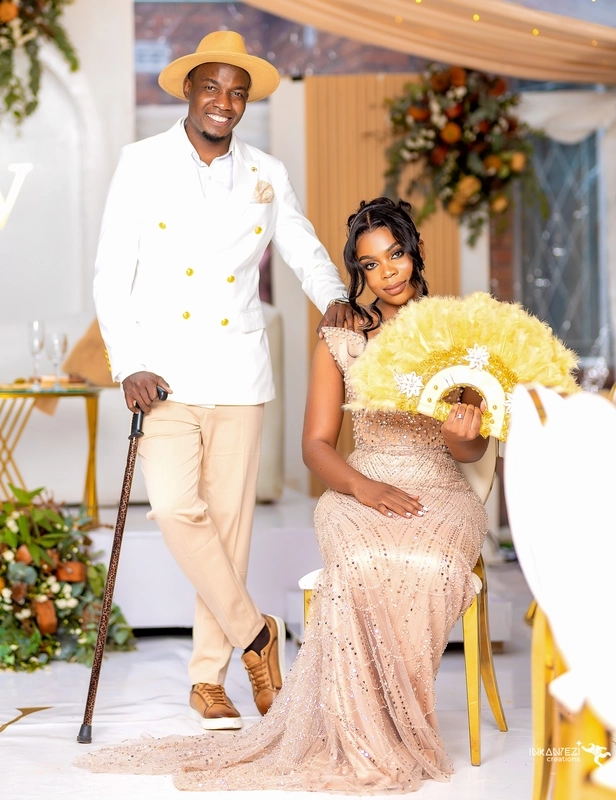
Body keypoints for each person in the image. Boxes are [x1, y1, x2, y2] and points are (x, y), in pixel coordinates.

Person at [80, 197, 490, 793]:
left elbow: (472, 451)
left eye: (396, 254)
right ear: (358, 272)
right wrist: (365, 487)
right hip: (359, 484)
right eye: (371, 264)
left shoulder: (464, 332)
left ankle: (400, 721)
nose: (388, 272)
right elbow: (316, 446)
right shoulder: (344, 337)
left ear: (416, 250)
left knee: (431, 564)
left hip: (439, 488)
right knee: (361, 562)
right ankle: (356, 727)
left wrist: (462, 435)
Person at [93, 30, 359, 730]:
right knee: (175, 508)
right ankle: (256, 633)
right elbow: (111, 272)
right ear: (188, 90)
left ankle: (207, 679)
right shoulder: (141, 162)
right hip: (161, 374)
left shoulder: (267, 171)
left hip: (239, 372)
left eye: (237, 92)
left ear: (246, 103)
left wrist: (335, 296)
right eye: (211, 87)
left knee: (230, 528)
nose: (224, 101)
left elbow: (301, 247)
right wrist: (127, 363)